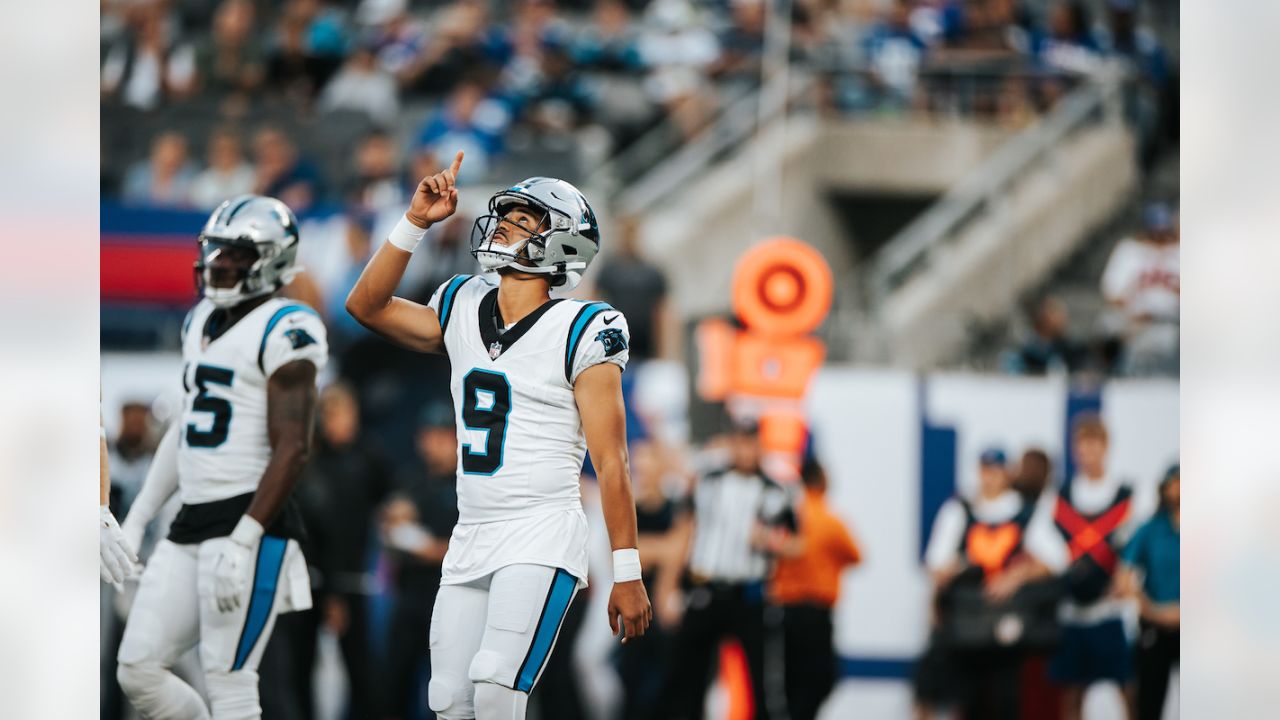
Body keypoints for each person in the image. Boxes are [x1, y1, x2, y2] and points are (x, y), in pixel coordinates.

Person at [345, 153, 651, 719]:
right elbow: (365, 306)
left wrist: (627, 572)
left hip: (540, 532)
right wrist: (414, 222)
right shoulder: (462, 302)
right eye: (505, 214)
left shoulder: (585, 327)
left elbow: (613, 462)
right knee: (449, 701)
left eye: (524, 219)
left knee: (495, 687)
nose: (505, 224)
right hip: (471, 532)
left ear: (562, 244)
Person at [115, 194, 328, 719]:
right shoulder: (199, 321)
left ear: (272, 260)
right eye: (216, 251)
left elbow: (294, 446)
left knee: (229, 681)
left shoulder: (289, 326)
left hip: (251, 519)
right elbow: (186, 428)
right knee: (138, 669)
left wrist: (245, 537)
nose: (220, 264)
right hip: (192, 518)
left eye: (235, 255)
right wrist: (138, 517)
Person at [656, 420, 796, 720]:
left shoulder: (776, 490)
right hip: (704, 589)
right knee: (685, 681)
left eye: (751, 442)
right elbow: (685, 530)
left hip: (748, 595)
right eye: (740, 442)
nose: (745, 450)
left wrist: (771, 540)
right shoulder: (707, 480)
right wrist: (670, 587)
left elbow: (794, 541)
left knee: (762, 684)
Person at [915, 448, 1068, 720]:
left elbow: (1057, 560)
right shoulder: (960, 510)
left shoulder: (1024, 512)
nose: (990, 478)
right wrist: (963, 569)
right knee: (967, 700)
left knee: (1007, 699)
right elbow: (936, 563)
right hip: (967, 625)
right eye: (986, 471)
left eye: (996, 471)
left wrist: (1016, 575)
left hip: (1007, 626)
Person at [1049, 415, 1138, 720]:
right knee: (1072, 695)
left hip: (1110, 613)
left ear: (1105, 447)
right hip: (1072, 612)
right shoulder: (1059, 496)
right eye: (1081, 445)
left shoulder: (1126, 495)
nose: (1087, 452)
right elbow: (1043, 549)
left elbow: (1139, 548)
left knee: (1128, 691)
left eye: (1093, 444)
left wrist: (1129, 581)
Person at [382, 403, 461, 719]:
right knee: (394, 683)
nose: (435, 444)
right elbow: (389, 528)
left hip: (448, 599)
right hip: (409, 595)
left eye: (442, 436)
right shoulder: (411, 479)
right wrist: (393, 525)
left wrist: (432, 547)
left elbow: (473, 545)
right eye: (430, 436)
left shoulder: (467, 483)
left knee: (445, 689)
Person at [769, 456, 863, 720]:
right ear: (822, 480)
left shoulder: (789, 517)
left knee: (791, 679)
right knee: (820, 679)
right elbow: (857, 555)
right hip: (815, 612)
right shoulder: (829, 520)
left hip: (785, 610)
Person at [1120, 465, 1179, 720]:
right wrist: (1149, 609)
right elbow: (1124, 576)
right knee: (1148, 705)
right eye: (1173, 484)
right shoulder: (1152, 529)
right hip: (1156, 627)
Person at [1101, 202, 1180, 376]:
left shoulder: (1179, 253)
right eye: (1154, 234)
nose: (1159, 238)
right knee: (1107, 325)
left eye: (1163, 233)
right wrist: (1133, 312)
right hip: (1137, 321)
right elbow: (1112, 293)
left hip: (1175, 321)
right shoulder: (1130, 251)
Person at [190, 128, 258, 211]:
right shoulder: (202, 181)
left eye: (230, 149)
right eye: (221, 149)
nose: (225, 153)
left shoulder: (253, 177)